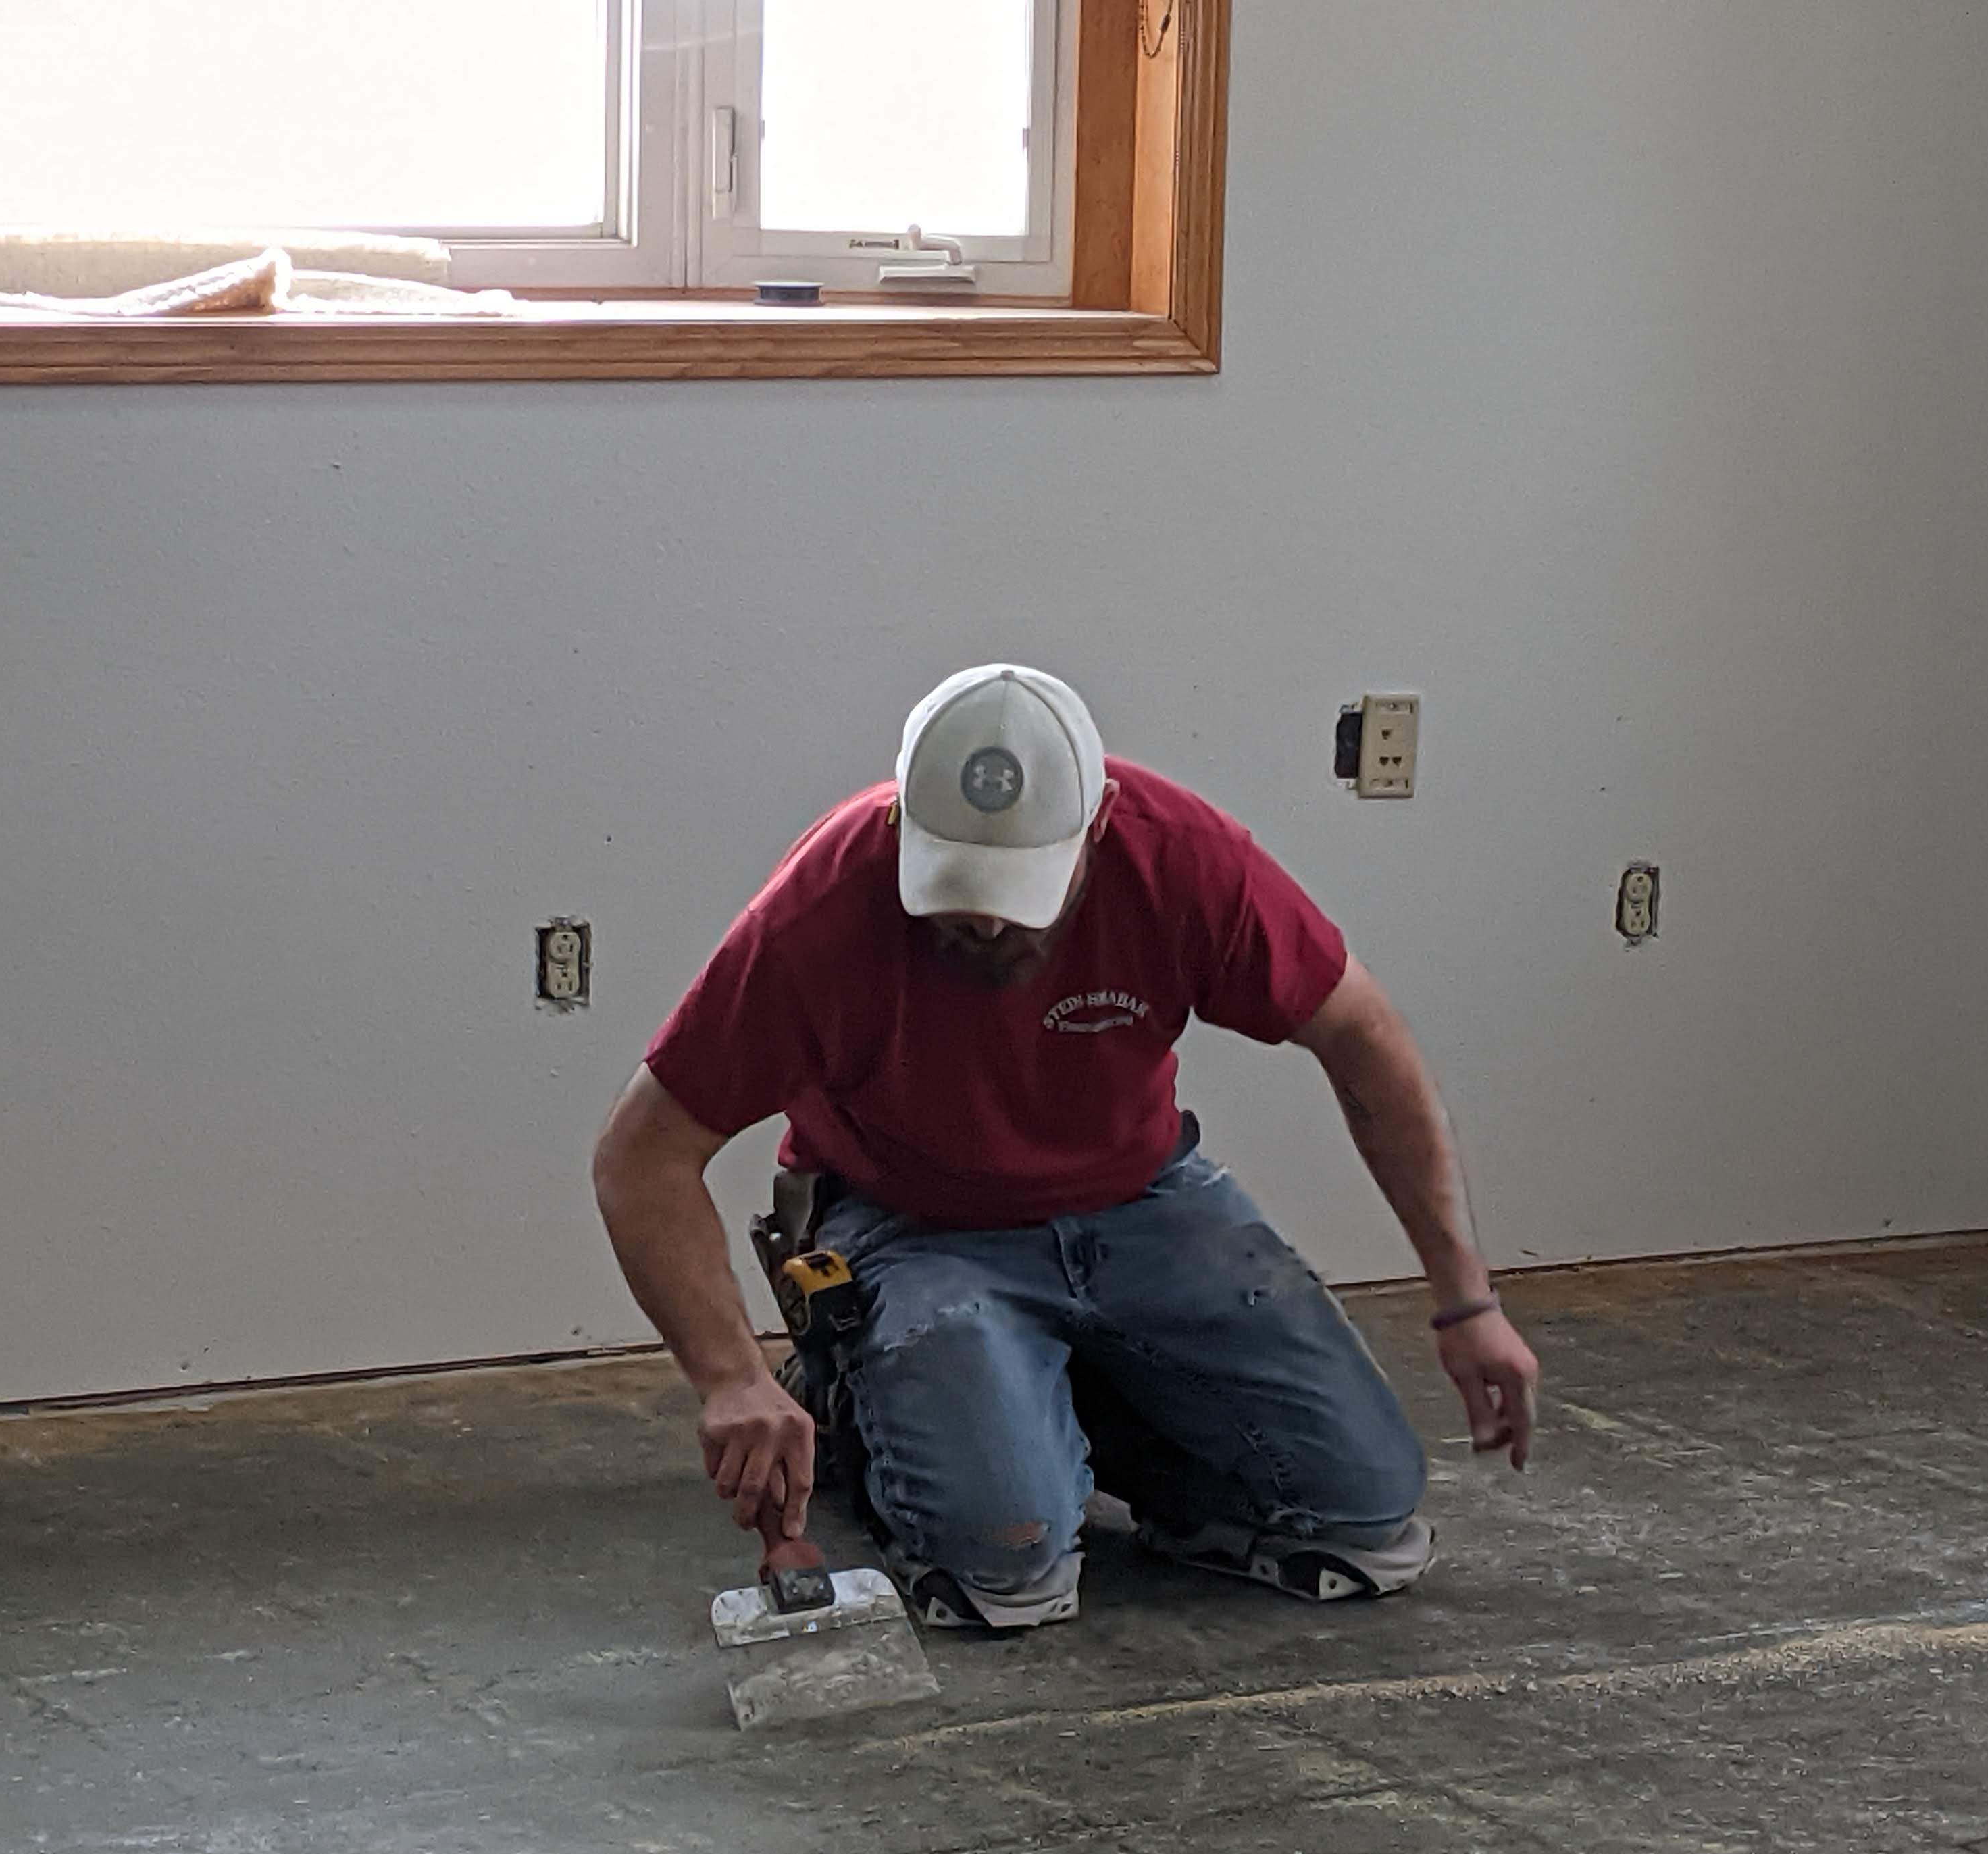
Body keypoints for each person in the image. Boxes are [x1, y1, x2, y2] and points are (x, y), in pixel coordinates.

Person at [592, 665, 1541, 1630]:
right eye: (958, 889)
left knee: (1361, 1513)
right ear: (902, 831)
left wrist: (1466, 1299)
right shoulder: (824, 906)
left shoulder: (1180, 858)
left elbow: (1365, 1041)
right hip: (915, 1219)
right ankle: (871, 1400)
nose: (989, 922)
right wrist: (732, 1378)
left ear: (1097, 826)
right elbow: (644, 1155)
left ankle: (1044, 1397)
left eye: (1020, 890)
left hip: (1142, 1199)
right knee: (1005, 1572)